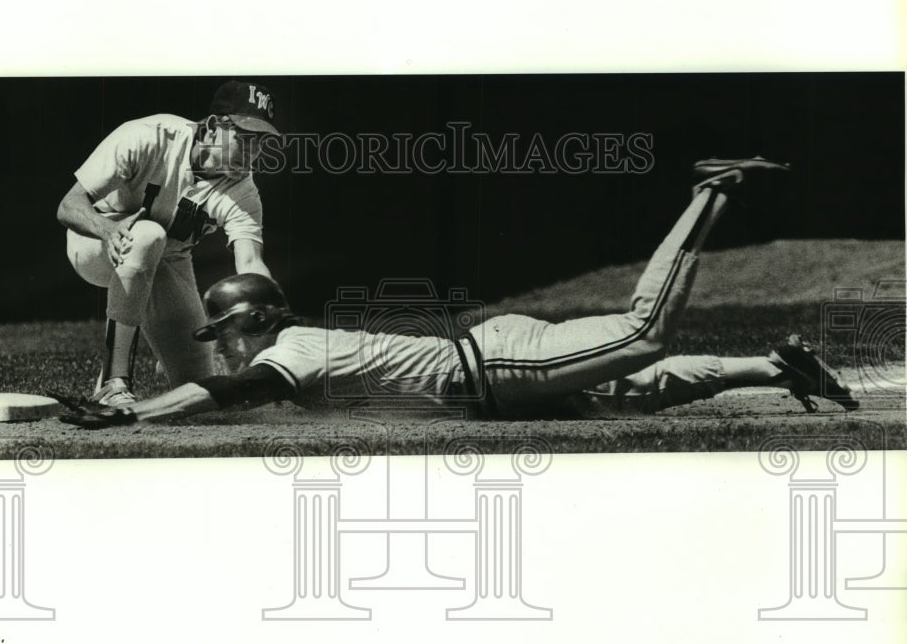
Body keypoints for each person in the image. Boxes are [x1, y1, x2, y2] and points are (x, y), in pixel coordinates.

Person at [58, 157, 859, 429]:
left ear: (256, 322)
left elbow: (230, 392)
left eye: (225, 332)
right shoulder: (295, 347)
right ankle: (776, 366)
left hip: (501, 368)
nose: (222, 345)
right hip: (498, 369)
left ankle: (711, 191)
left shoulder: (292, 349)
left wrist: (137, 411)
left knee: (643, 334)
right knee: (639, 389)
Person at [57, 79, 280, 407]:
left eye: (260, 142)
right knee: (148, 235)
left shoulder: (243, 190)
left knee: (198, 387)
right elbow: (68, 206)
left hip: (167, 262)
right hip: (96, 244)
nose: (253, 152)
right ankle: (113, 380)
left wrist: (272, 314)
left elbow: (250, 263)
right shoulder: (149, 136)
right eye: (245, 138)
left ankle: (160, 355)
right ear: (214, 126)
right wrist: (107, 230)